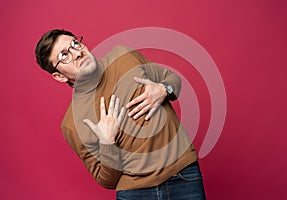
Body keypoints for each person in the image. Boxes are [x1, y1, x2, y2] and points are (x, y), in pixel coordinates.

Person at [35, 29, 206, 199]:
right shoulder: (72, 124)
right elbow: (106, 181)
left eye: (75, 44)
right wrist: (107, 142)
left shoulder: (123, 56)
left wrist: (163, 89)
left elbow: (171, 78)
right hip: (134, 193)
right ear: (59, 76)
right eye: (65, 55)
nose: (77, 53)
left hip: (184, 177)